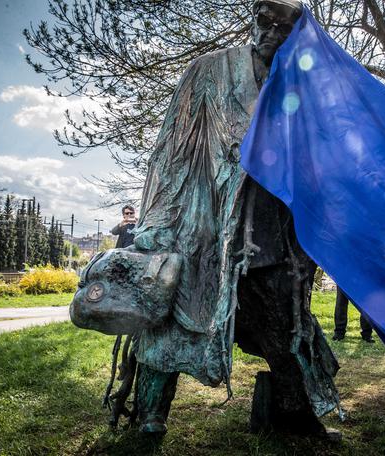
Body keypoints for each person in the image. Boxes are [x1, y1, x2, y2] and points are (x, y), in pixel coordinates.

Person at [126, 0, 340, 435]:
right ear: (253, 20)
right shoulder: (209, 70)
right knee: (175, 314)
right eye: (263, 20)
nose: (269, 31)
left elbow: (319, 159)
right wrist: (158, 220)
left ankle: (296, 413)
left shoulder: (300, 84)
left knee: (286, 324)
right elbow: (173, 148)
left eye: (282, 25)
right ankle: (151, 412)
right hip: (203, 219)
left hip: (271, 227)